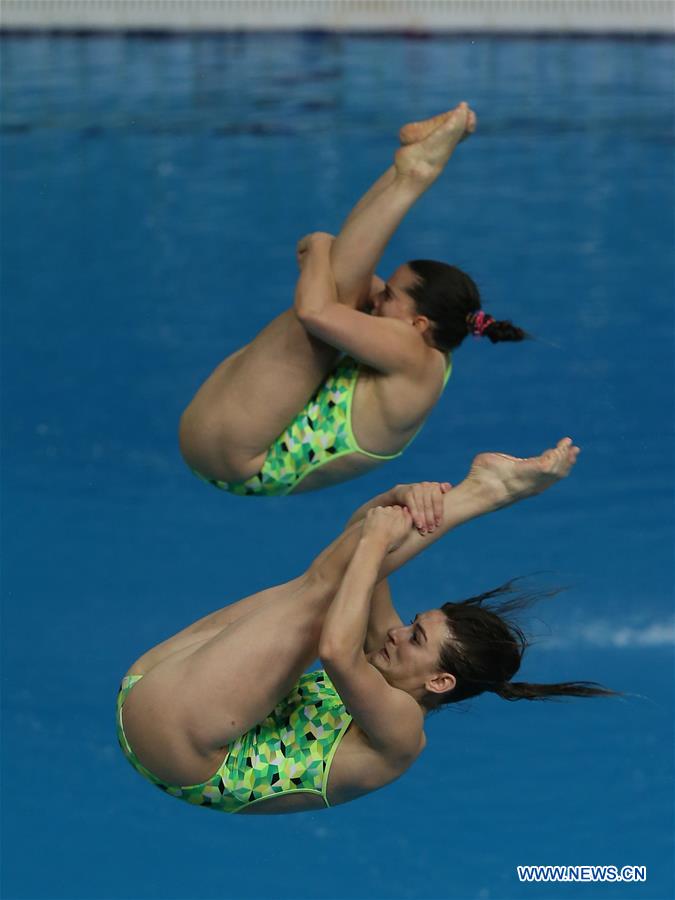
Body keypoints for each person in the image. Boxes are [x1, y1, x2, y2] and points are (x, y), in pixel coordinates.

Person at [117, 437, 615, 816]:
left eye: (416, 637)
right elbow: (355, 549)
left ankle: (484, 494)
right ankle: (484, 492)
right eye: (413, 624)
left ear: (440, 682)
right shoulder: (391, 663)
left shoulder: (402, 730)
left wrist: (378, 542)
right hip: (156, 690)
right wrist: (394, 500)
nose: (398, 633)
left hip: (184, 753)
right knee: (330, 580)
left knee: (323, 595)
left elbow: (336, 648)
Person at [178, 102, 527, 497]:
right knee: (346, 286)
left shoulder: (412, 351)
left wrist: (320, 244)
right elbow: (347, 271)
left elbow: (314, 310)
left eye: (390, 296)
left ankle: (415, 173)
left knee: (337, 299)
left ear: (420, 324)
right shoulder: (418, 347)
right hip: (230, 451)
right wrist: (323, 251)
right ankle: (410, 168)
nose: (379, 299)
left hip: (236, 453)